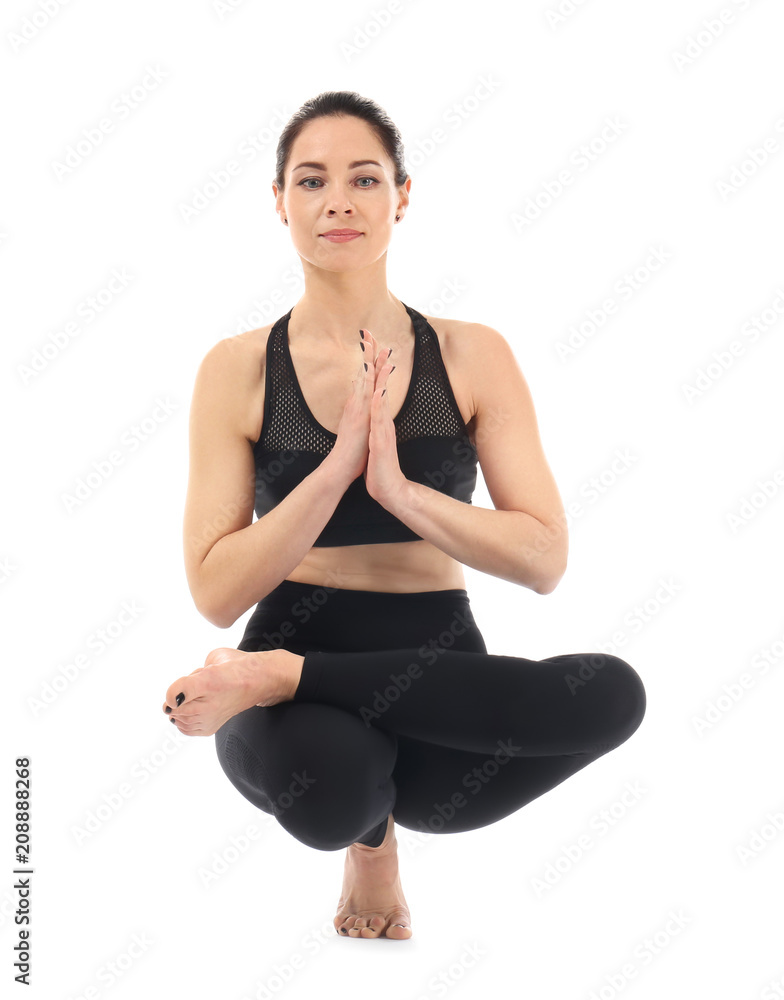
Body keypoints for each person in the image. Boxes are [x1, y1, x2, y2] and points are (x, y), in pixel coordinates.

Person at [162, 90, 647, 941]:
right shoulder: (238, 369)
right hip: (293, 630)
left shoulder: (470, 354)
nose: (339, 200)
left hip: (434, 660)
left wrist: (399, 490)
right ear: (280, 201)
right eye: (311, 180)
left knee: (615, 694)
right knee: (335, 792)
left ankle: (285, 682)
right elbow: (214, 591)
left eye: (365, 178)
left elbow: (543, 559)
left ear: (402, 196)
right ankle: (371, 843)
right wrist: (336, 469)